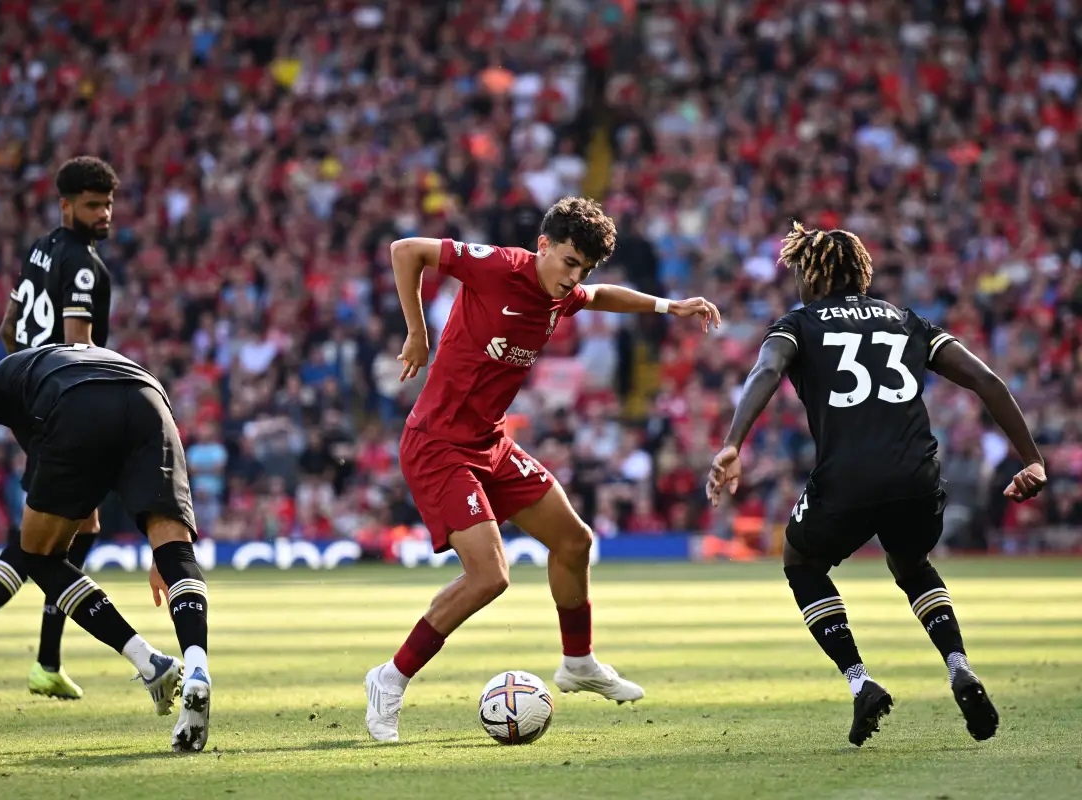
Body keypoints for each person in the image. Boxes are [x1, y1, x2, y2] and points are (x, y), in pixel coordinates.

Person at [363, 197, 721, 742]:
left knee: (575, 542)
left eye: (582, 268)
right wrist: (417, 331)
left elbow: (600, 296)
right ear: (544, 246)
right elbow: (405, 250)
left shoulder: (564, 293)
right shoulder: (499, 266)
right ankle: (389, 679)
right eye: (568, 262)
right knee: (490, 577)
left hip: (491, 443)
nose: (573, 278)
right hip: (438, 445)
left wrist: (670, 308)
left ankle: (578, 663)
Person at [705, 222, 1047, 746]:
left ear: (815, 277)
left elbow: (766, 371)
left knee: (801, 563)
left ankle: (860, 681)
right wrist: (1032, 460)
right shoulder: (906, 320)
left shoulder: (798, 322)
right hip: (917, 476)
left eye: (799, 272)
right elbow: (987, 380)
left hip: (845, 479)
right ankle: (958, 666)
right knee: (911, 563)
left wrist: (733, 442)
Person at [0, 344, 213, 753]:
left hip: (77, 405)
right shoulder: (61, 357)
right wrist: (156, 548)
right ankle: (197, 667)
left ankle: (150, 662)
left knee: (39, 554)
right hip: (149, 395)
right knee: (176, 555)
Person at [0, 156, 118, 703]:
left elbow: (9, 326)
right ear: (65, 204)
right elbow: (79, 347)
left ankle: (46, 661)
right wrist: (59, 400)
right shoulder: (83, 263)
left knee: (80, 528)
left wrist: (20, 381)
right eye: (91, 204)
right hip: (61, 401)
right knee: (47, 539)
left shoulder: (40, 250)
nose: (102, 213)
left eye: (107, 203)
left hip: (30, 391)